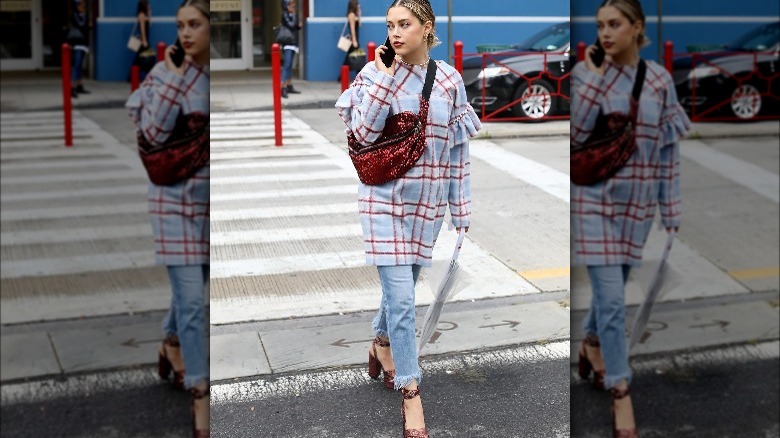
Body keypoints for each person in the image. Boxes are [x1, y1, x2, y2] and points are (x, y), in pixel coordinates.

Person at [336, 1, 480, 436]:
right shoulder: (372, 75)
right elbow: (361, 133)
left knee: (404, 287)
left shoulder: (450, 80)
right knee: (401, 300)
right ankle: (411, 392)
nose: (395, 33)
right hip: (381, 202)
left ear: (427, 28)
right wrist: (381, 77)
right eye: (390, 25)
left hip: (427, 207)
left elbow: (457, 151)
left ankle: (380, 344)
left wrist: (461, 208)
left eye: (405, 24)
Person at [570, 1, 690, 437]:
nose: (605, 33)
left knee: (613, 291)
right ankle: (621, 390)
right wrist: (596, 81)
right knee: (614, 300)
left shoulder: (658, 79)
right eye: (600, 25)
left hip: (637, 208)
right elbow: (578, 133)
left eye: (614, 24)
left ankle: (591, 343)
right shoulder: (587, 75)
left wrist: (670, 207)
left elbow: (668, 150)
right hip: (594, 205)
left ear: (637, 28)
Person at [126, 1, 211, 436]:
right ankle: (201, 395)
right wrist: (174, 79)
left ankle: (170, 343)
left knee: (194, 290)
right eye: (180, 26)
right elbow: (154, 135)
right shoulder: (164, 75)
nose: (185, 33)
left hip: (209, 206)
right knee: (194, 301)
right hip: (173, 203)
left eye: (194, 24)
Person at [67, 0, 91, 98]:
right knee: (76, 65)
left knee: (80, 65)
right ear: (76, 5)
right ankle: (72, 87)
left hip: (83, 43)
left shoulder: (83, 15)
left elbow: (87, 27)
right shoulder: (75, 15)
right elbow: (81, 25)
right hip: (77, 43)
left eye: (84, 4)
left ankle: (79, 85)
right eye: (81, 4)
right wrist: (85, 18)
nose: (83, 6)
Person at [280, 0, 302, 98]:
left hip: (293, 42)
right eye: (291, 4)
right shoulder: (285, 15)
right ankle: (283, 87)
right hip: (287, 43)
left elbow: (296, 27)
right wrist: (294, 18)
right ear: (286, 5)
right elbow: (291, 25)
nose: (293, 5)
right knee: (287, 64)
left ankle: (289, 85)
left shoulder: (293, 14)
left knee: (290, 66)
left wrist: (298, 25)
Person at [132, 0, 154, 81]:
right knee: (147, 57)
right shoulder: (141, 15)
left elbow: (150, 24)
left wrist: (149, 12)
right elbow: (142, 29)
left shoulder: (145, 15)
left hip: (145, 40)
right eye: (147, 5)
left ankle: (133, 77)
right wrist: (144, 41)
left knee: (138, 59)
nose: (148, 6)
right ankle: (148, 74)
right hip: (143, 41)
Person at [341, 0, 362, 73]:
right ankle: (359, 73)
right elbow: (352, 29)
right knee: (358, 57)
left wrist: (359, 15)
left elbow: (359, 24)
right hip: (354, 39)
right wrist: (354, 41)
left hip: (355, 39)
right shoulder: (351, 14)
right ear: (354, 5)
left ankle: (342, 76)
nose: (358, 6)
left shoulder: (354, 14)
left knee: (349, 58)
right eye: (357, 4)